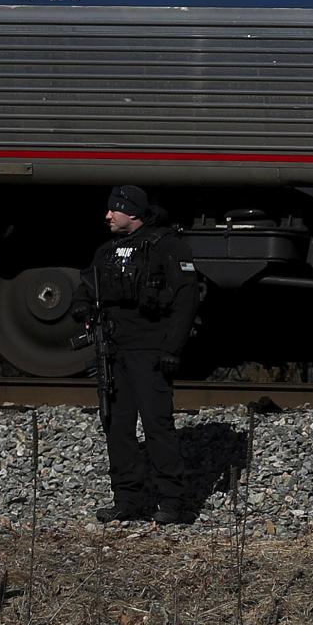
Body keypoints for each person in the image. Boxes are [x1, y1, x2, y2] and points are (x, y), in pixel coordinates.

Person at [73, 185, 204, 525]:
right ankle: (126, 499)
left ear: (131, 212)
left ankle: (172, 502)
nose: (107, 216)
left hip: (151, 351)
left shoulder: (166, 246)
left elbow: (186, 299)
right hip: (114, 351)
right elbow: (84, 289)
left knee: (157, 425)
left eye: (112, 210)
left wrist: (172, 348)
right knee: (117, 427)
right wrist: (83, 311)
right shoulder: (106, 252)